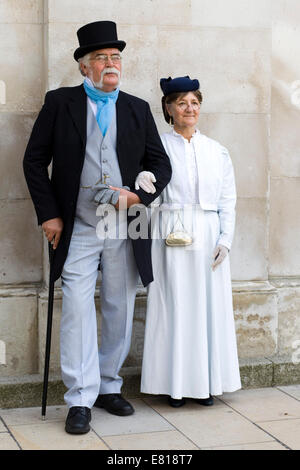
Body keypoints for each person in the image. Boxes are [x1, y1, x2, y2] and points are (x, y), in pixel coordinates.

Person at [23, 21, 171, 434]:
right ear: (84, 67)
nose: (111, 64)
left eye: (116, 57)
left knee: (120, 308)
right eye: (102, 58)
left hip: (126, 224)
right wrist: (48, 214)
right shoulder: (60, 102)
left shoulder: (138, 107)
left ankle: (108, 385)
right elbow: (34, 160)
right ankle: (79, 397)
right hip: (79, 224)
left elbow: (161, 165)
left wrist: (137, 197)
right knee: (75, 309)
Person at [141, 76, 241, 407]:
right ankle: (175, 387)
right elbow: (147, 192)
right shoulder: (158, 148)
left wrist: (225, 239)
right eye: (182, 103)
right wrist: (140, 178)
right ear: (169, 108)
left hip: (209, 231)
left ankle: (207, 384)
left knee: (207, 308)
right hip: (171, 231)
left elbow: (228, 198)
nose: (189, 109)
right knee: (175, 307)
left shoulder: (217, 150)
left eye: (195, 102)